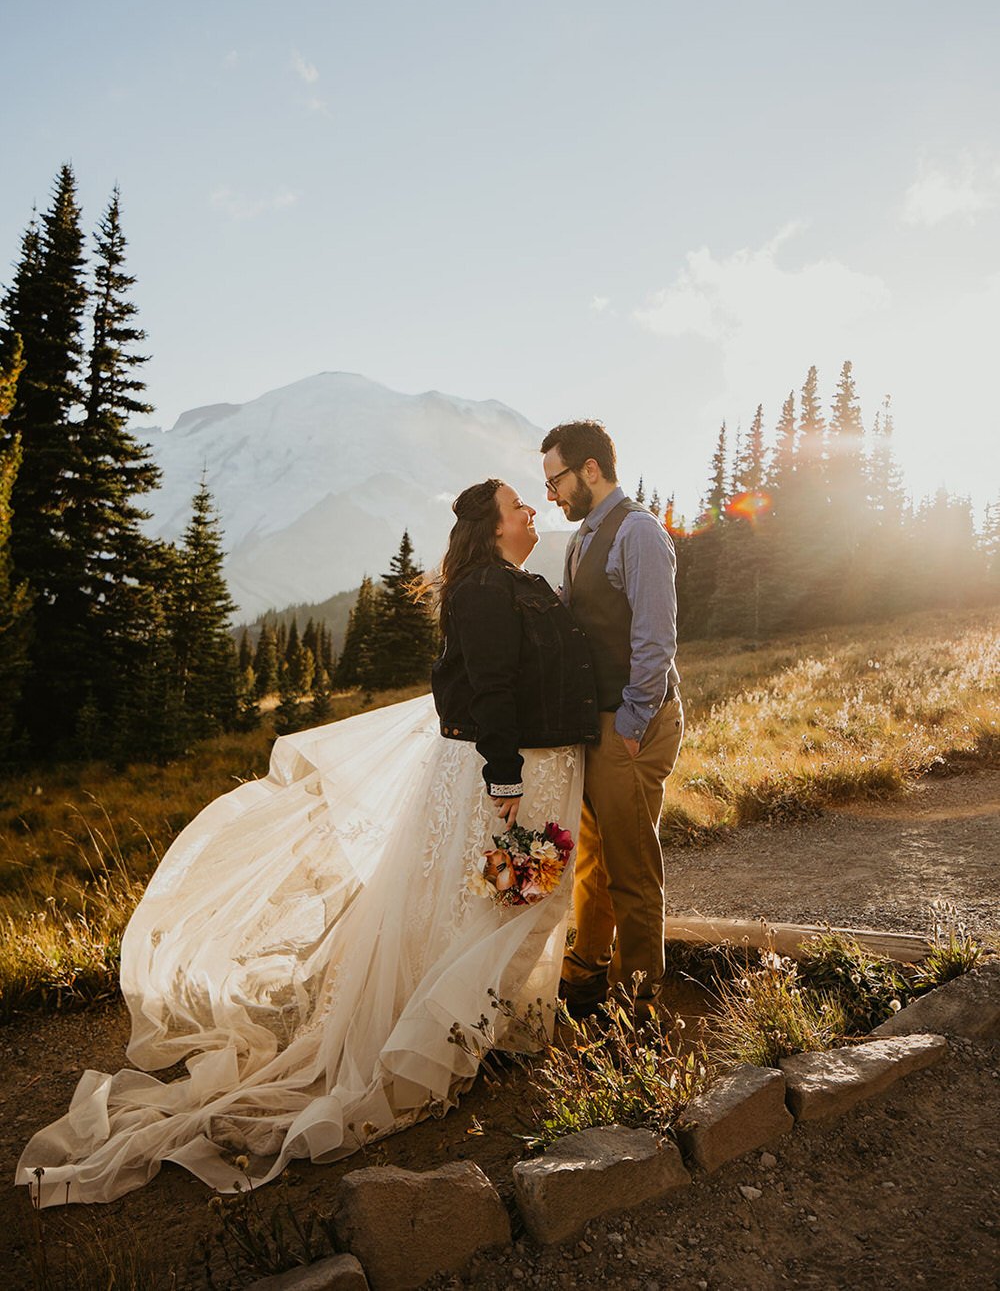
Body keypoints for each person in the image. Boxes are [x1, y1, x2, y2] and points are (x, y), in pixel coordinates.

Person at [17, 479, 598, 1207]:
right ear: (491, 526)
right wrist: (507, 778)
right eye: (519, 506)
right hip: (513, 782)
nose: (530, 513)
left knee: (510, 905)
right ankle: (443, 1041)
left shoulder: (508, 582)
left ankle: (468, 1030)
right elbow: (492, 687)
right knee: (516, 904)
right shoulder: (484, 589)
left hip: (534, 776)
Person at [540, 421, 683, 1022]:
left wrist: (628, 723)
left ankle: (642, 1000)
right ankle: (588, 972)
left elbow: (656, 641)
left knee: (631, 865)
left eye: (557, 480)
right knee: (594, 857)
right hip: (599, 724)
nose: (551, 495)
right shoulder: (584, 538)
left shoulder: (639, 533)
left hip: (633, 723)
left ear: (591, 469)